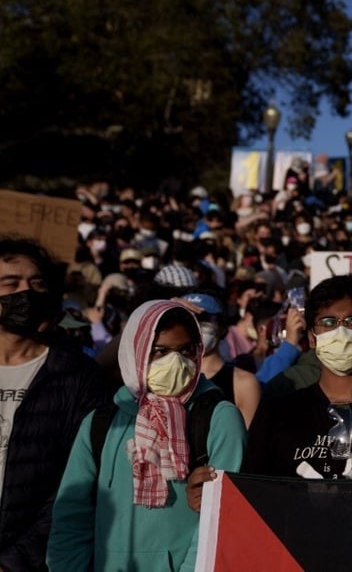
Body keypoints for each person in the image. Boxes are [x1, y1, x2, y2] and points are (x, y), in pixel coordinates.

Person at [47, 300, 247, 570]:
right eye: (159, 351)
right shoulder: (102, 423)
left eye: (186, 350)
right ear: (135, 353)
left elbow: (219, 525)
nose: (176, 362)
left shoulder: (218, 418)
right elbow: (71, 517)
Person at [0, 237, 109, 570]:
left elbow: (75, 484)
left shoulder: (77, 377)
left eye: (37, 284)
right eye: (11, 284)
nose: (27, 293)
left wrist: (14, 562)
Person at [244, 275, 352, 479]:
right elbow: (250, 490)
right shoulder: (277, 413)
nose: (341, 331)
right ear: (311, 337)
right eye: (328, 322)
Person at [181, 292, 261, 427]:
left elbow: (248, 442)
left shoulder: (243, 383)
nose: (196, 326)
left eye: (204, 319)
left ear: (223, 327)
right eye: (186, 319)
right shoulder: (163, 377)